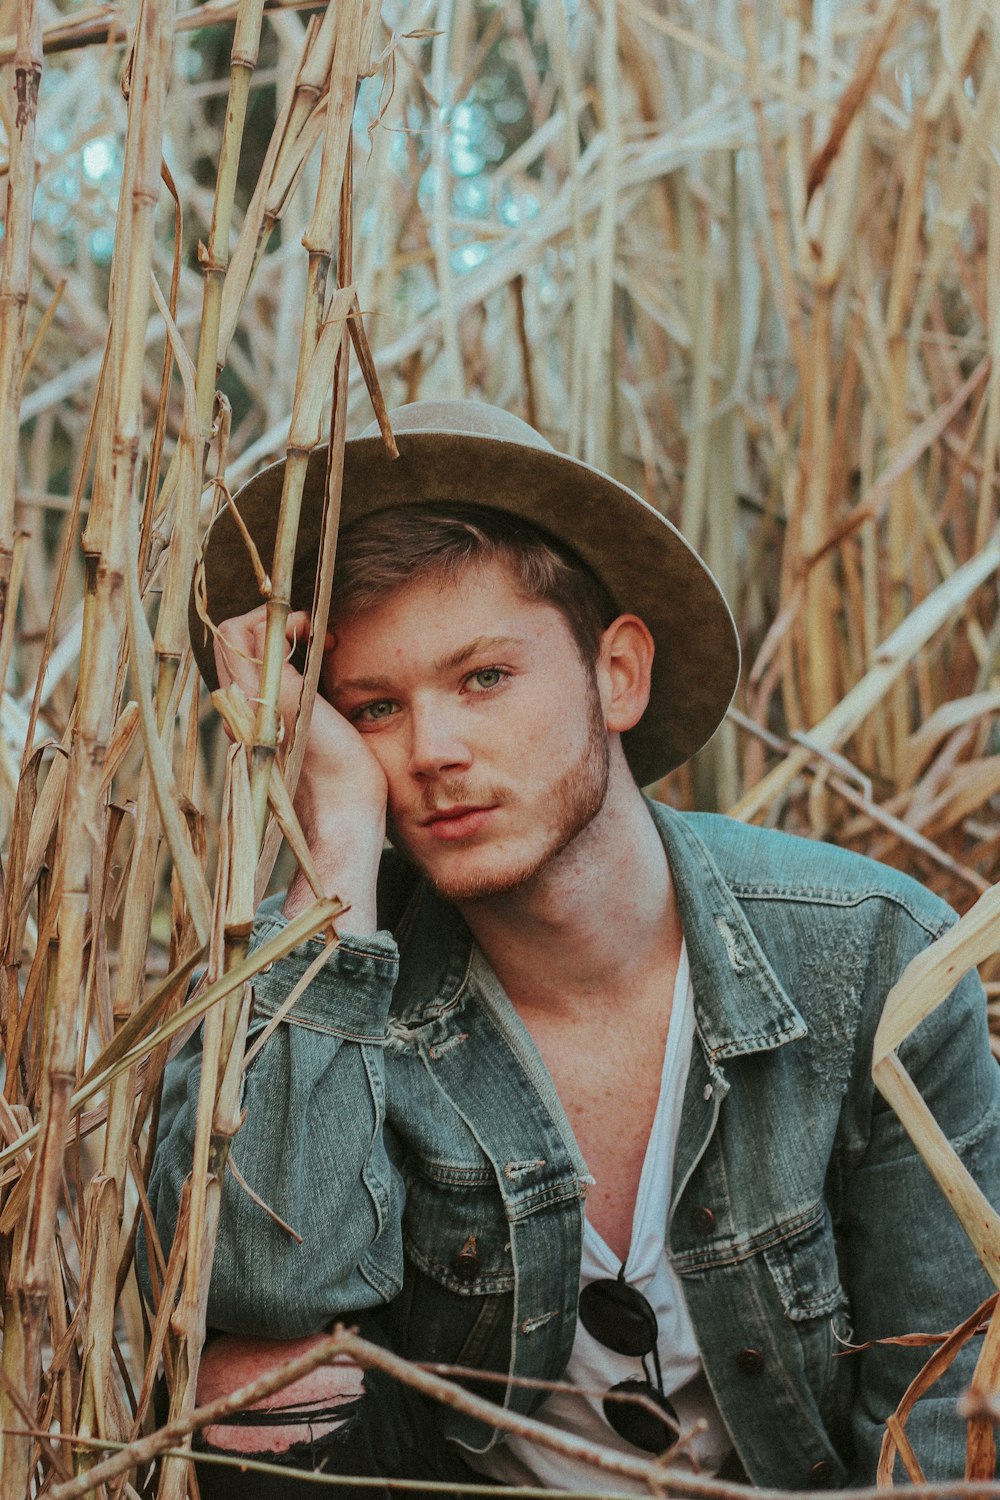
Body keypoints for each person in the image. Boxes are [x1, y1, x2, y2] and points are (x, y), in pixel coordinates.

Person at [147, 401, 1000, 1496]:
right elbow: (260, 1295)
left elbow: (942, 1407)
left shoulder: (872, 957)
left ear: (618, 675)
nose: (433, 752)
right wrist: (335, 855)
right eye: (372, 708)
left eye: (484, 679)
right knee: (259, 1382)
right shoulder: (312, 977)